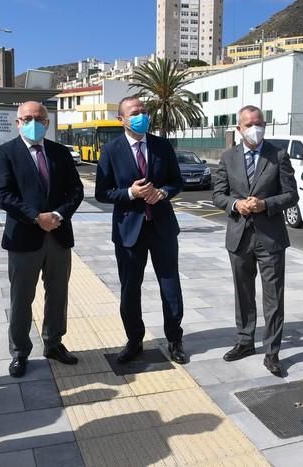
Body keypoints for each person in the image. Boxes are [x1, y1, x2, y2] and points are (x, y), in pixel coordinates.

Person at [0, 101, 84, 377]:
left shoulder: (60, 153)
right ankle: (20, 351)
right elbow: (3, 195)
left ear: (47, 123)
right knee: (22, 298)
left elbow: (76, 190)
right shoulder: (5, 153)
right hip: (23, 238)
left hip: (58, 235)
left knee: (58, 295)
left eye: (39, 118)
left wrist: (57, 214)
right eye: (27, 118)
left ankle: (54, 343)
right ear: (18, 122)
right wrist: (36, 217)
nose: (33, 122)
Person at [95, 96, 186, 365]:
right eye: (135, 112)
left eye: (144, 111)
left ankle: (174, 339)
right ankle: (134, 340)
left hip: (162, 229)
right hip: (128, 231)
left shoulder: (162, 146)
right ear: (120, 119)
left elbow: (176, 182)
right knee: (130, 289)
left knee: (170, 285)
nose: (142, 116)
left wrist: (162, 193)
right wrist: (130, 193)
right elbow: (102, 192)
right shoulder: (110, 151)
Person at [212, 105, 299, 376]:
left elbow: (291, 195)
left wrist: (265, 204)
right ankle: (245, 340)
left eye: (259, 123)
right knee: (243, 293)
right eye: (249, 124)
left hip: (270, 238)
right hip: (239, 237)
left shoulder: (278, 155)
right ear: (239, 128)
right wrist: (237, 204)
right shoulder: (228, 158)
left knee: (273, 296)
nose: (255, 128)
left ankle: (272, 351)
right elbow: (218, 195)